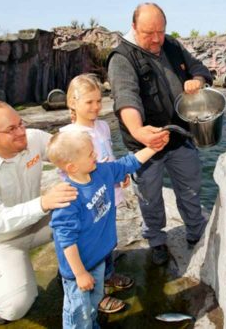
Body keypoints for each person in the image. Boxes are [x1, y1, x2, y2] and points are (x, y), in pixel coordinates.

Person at [106, 2, 213, 265]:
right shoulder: (122, 58)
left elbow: (201, 69)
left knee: (190, 189)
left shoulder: (172, 45)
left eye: (160, 32)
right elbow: (126, 98)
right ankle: (156, 240)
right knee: (150, 197)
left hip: (180, 136)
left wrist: (196, 81)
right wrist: (138, 131)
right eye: (148, 33)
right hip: (146, 146)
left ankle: (196, 233)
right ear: (133, 27)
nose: (156, 39)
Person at [0, 100, 78, 325]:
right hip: (1, 241)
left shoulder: (32, 138)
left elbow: (69, 154)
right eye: (11, 129)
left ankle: (74, 271)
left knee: (82, 207)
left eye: (20, 123)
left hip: (37, 224)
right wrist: (43, 203)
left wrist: (107, 170)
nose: (21, 132)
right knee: (15, 307)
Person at [47, 130, 163, 329]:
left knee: (94, 301)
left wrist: (153, 147)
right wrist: (80, 273)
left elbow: (128, 163)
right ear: (72, 166)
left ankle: (92, 324)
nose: (96, 155)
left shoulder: (102, 171)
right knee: (78, 311)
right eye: (90, 154)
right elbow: (66, 241)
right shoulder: (67, 198)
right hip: (79, 268)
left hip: (99, 258)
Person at [60, 73, 133, 314]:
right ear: (73, 102)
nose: (95, 107)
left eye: (99, 101)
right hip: (86, 202)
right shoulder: (69, 135)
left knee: (107, 235)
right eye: (89, 102)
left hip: (108, 195)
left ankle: (108, 274)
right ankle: (96, 294)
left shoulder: (102, 126)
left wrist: (120, 174)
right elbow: (67, 174)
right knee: (90, 245)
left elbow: (108, 157)